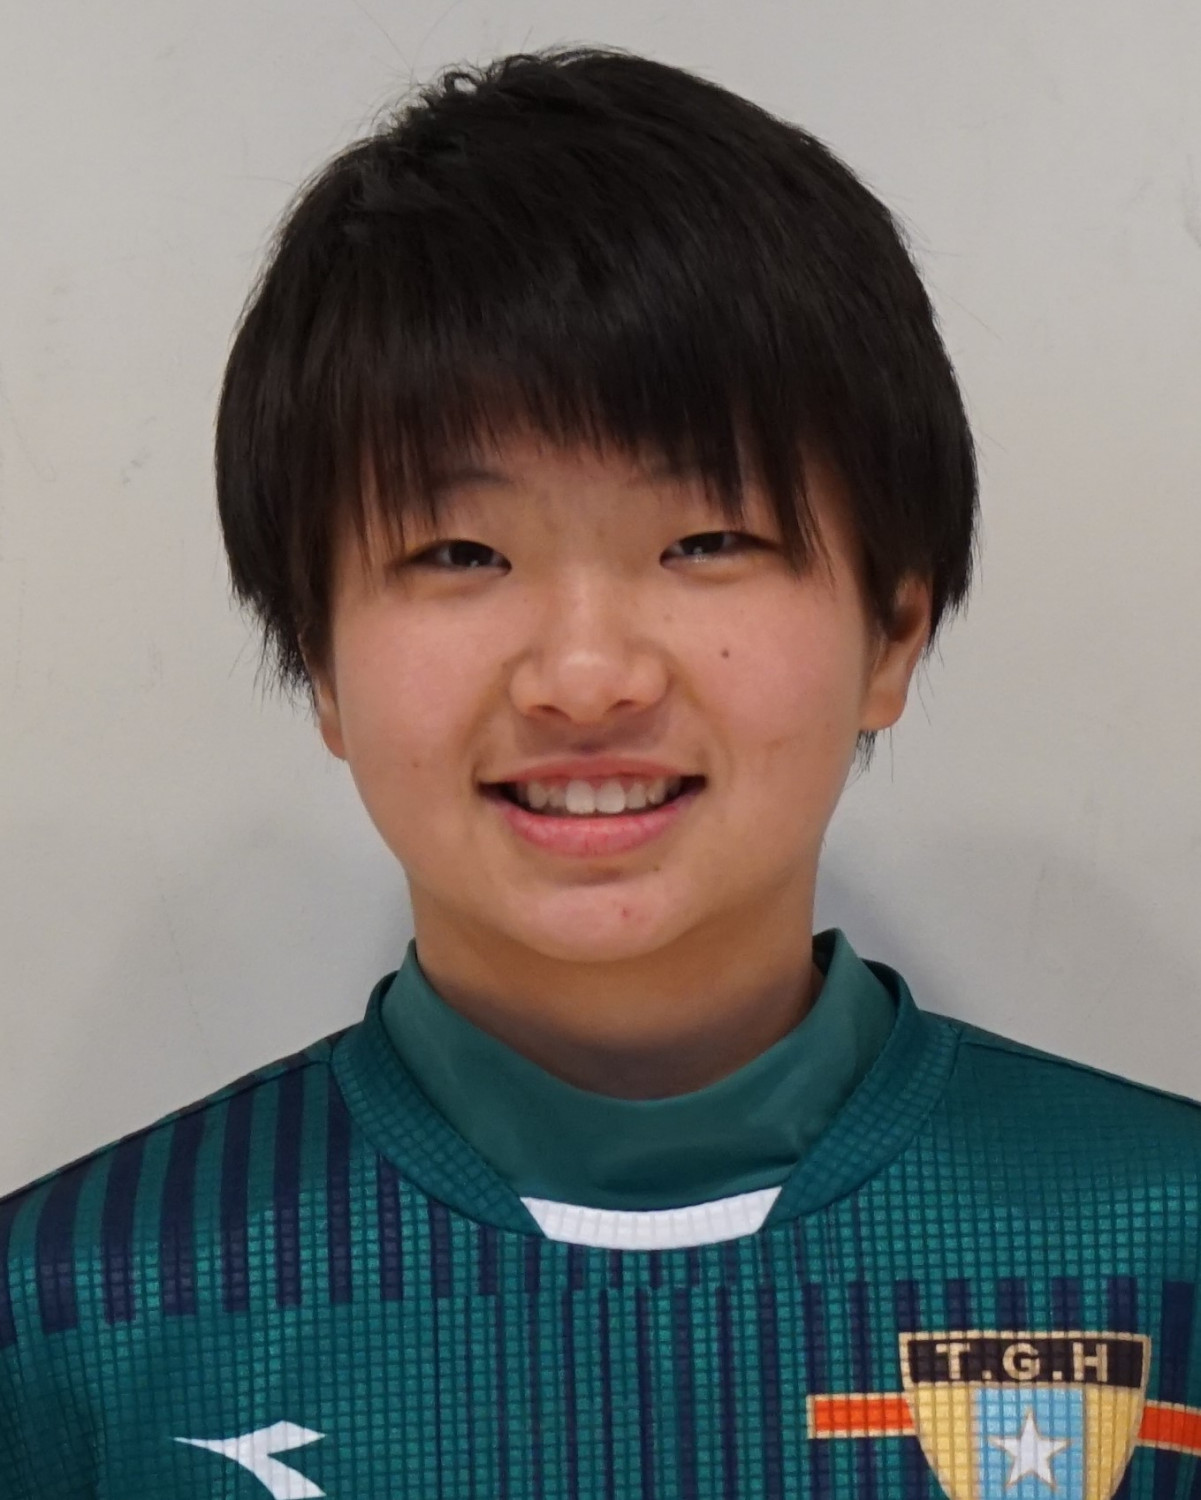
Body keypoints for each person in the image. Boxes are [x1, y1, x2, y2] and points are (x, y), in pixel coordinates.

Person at [2, 44, 1198, 1500]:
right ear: (318, 661)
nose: (584, 676)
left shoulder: (1160, 1244)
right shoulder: (72, 1315)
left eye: (706, 542)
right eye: (460, 553)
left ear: (892, 632)